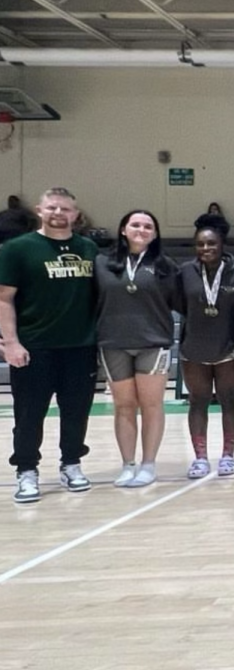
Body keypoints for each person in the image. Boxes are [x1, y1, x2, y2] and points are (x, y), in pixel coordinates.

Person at [0, 187, 98, 503]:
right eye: (52, 207)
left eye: (65, 209)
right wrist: (10, 343)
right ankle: (26, 470)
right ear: (40, 211)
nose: (59, 213)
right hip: (34, 347)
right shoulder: (18, 249)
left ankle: (71, 464)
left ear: (76, 214)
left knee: (76, 412)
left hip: (80, 348)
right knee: (29, 415)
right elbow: (4, 299)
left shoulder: (89, 248)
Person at [96, 210, 179, 488]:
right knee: (123, 406)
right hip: (113, 342)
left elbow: (180, 301)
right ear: (123, 229)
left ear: (155, 234)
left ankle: (149, 464)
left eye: (148, 226)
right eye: (135, 225)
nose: (141, 230)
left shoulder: (165, 266)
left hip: (153, 343)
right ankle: (127, 464)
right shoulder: (102, 263)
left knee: (152, 405)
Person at [179, 218, 234, 479]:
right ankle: (200, 458)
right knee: (198, 402)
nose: (205, 248)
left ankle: (228, 456)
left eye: (211, 243)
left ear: (222, 244)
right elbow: (178, 302)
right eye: (200, 244)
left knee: (229, 399)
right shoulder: (185, 272)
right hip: (193, 350)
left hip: (228, 350)